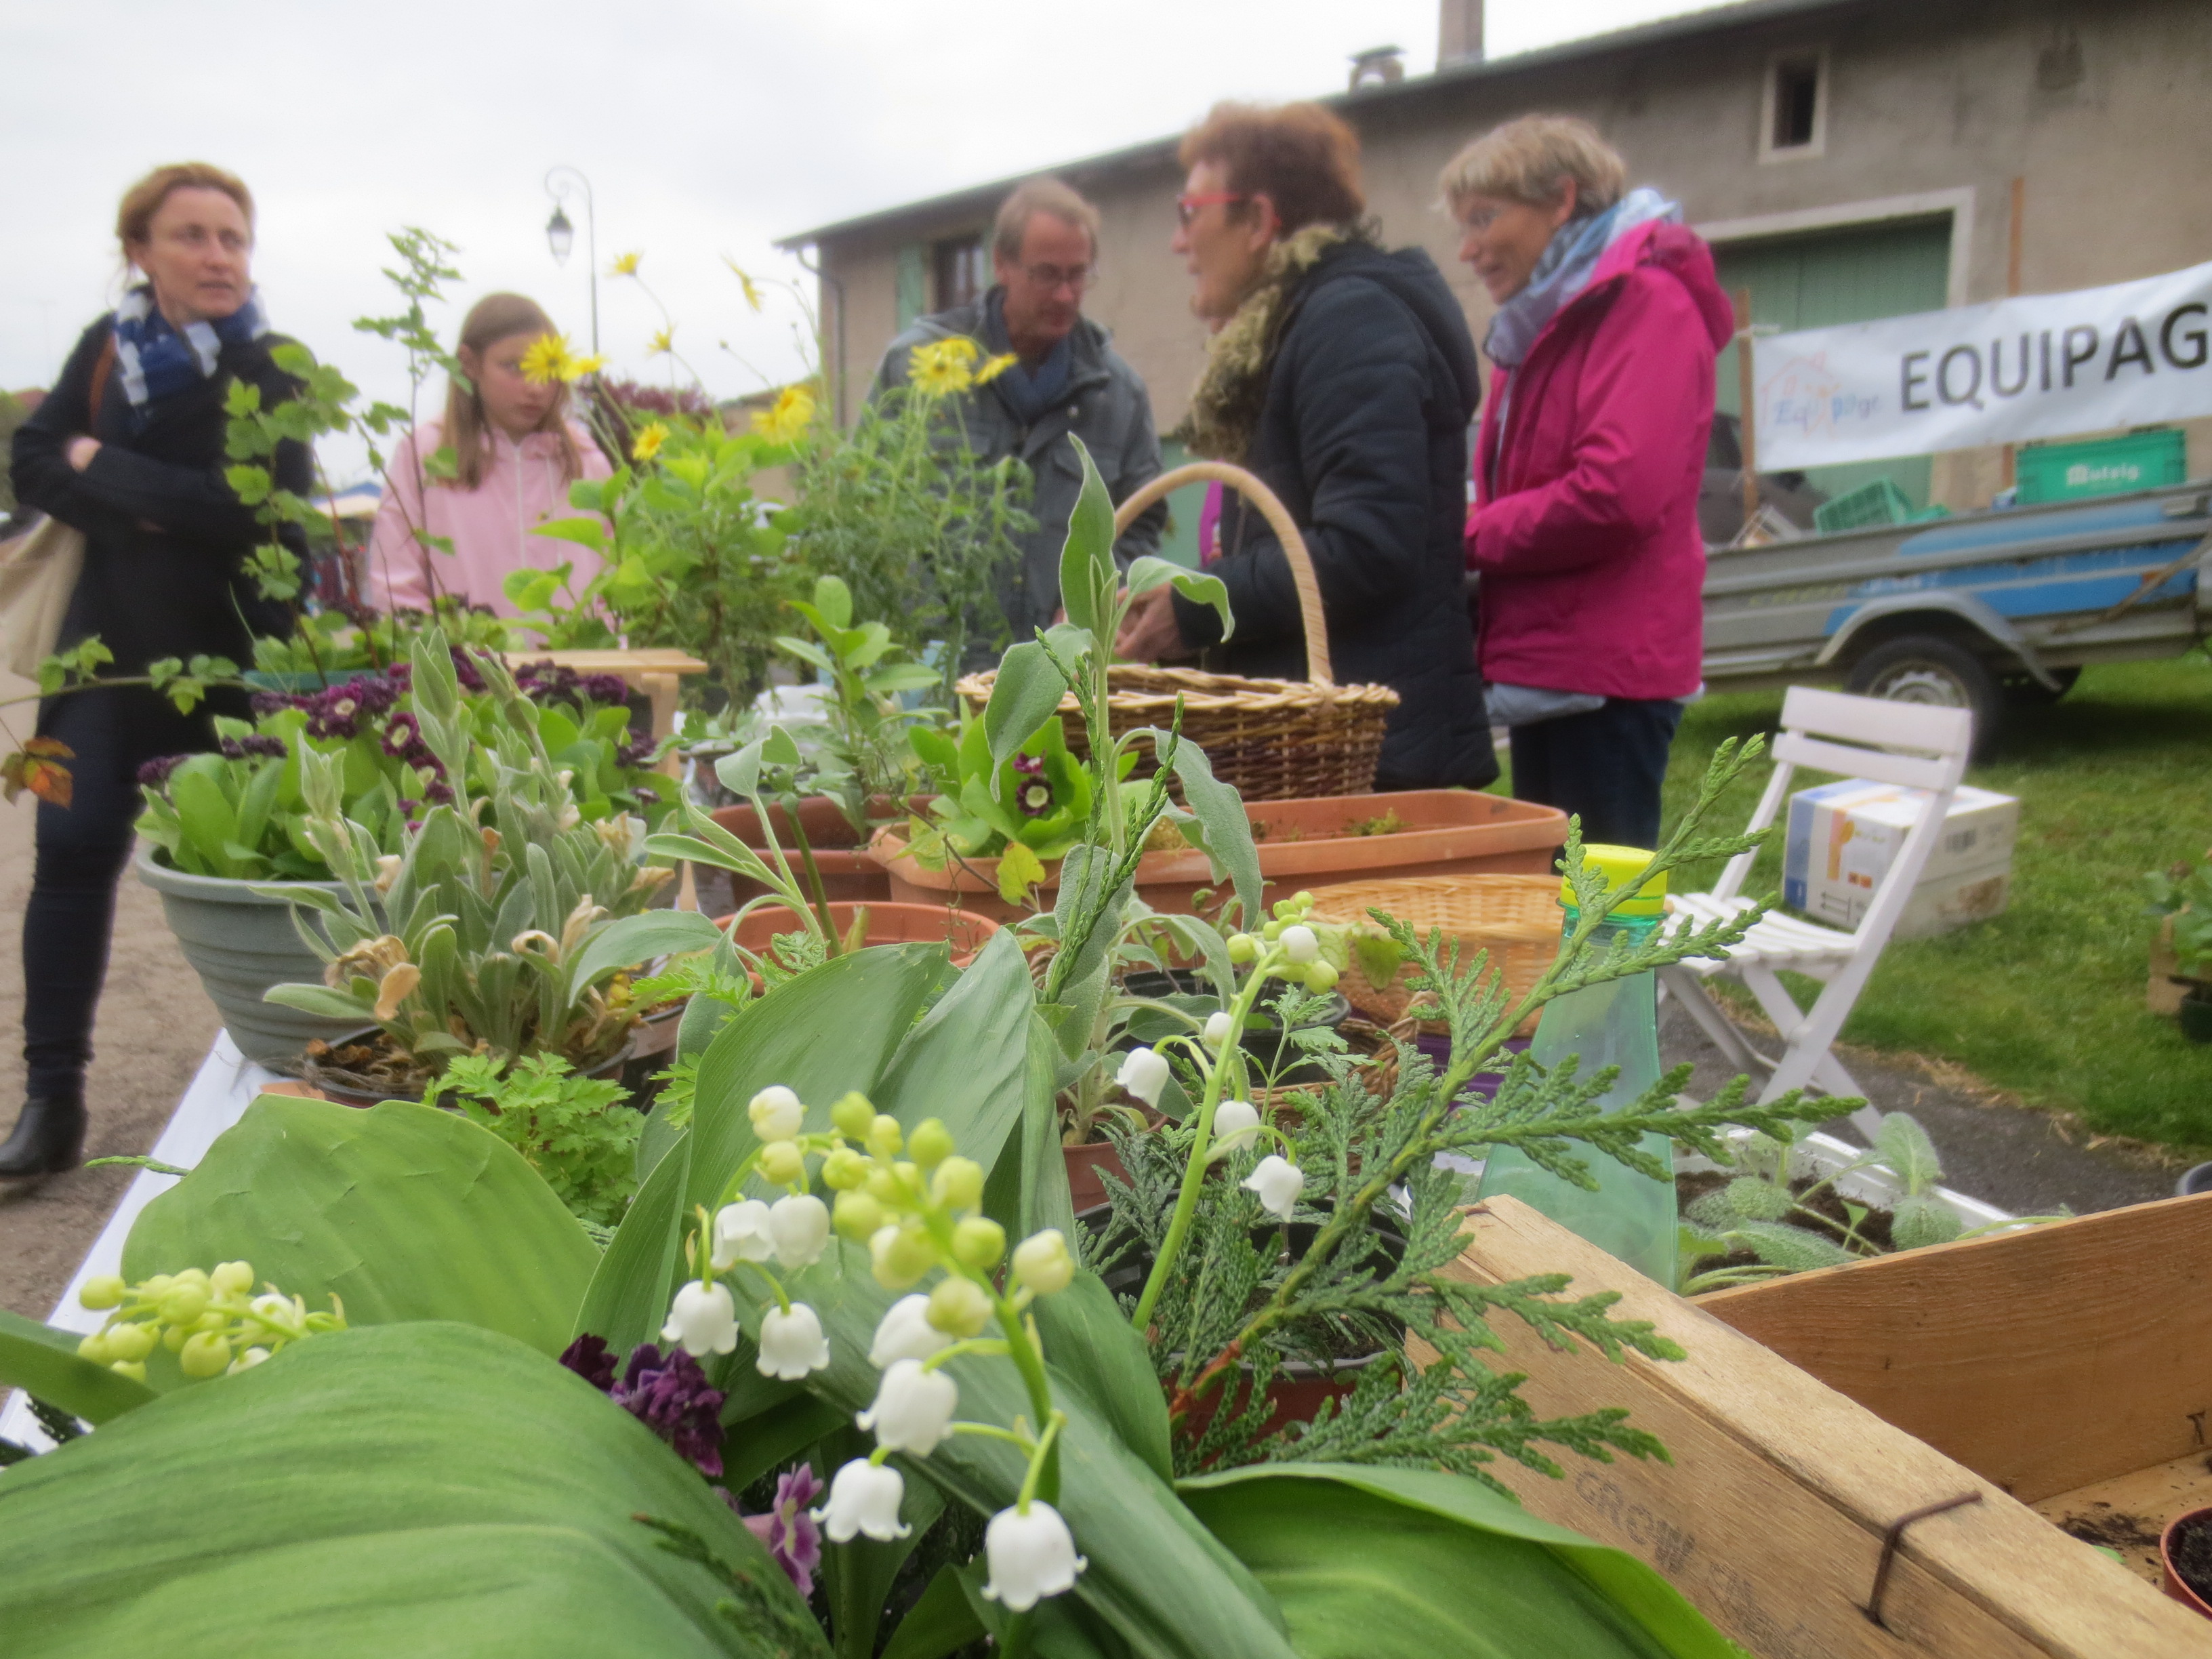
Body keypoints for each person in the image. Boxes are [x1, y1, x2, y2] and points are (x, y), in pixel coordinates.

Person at [5, 163, 308, 1176]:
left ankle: (292, 1092)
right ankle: (51, 1104)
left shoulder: (273, 369)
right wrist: (163, 495)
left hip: (233, 662)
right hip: (94, 664)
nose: (218, 255)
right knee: (66, 852)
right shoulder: (105, 351)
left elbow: (266, 514)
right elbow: (33, 460)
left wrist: (113, 473)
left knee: (266, 876)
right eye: (192, 236)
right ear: (139, 251)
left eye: (233, 237)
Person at [1115, 102, 1494, 792]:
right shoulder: (1305, 323)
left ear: (1258, 220)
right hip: (1346, 746)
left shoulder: (1347, 321)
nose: (1179, 241)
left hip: (1375, 759)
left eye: (1189, 212)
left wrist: (1198, 605)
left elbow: (1368, 540)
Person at [1446, 115, 1729, 847]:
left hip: (1607, 672)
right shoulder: (1550, 320)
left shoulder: (1644, 305)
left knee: (1598, 919)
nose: (1468, 247)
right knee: (1561, 906)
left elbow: (1615, 491)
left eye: (1485, 218)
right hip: (1558, 662)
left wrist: (1466, 537)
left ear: (1562, 199)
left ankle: (1639, 972)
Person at [874, 178, 1164, 640]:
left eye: (1078, 275)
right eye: (1047, 274)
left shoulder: (1119, 394)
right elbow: (870, 506)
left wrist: (1097, 602)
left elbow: (1141, 523)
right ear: (1002, 265)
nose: (1066, 295)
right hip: (933, 669)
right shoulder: (917, 367)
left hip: (1057, 676)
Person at [365, 293, 611, 616]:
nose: (536, 387)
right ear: (469, 364)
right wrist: (449, 661)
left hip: (582, 665)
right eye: (515, 367)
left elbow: (612, 586)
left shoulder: (586, 462)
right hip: (466, 664)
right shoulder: (425, 456)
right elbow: (397, 586)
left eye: (548, 369)